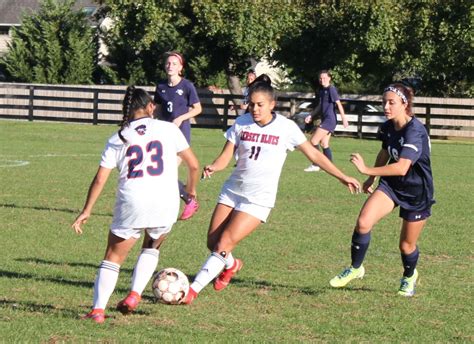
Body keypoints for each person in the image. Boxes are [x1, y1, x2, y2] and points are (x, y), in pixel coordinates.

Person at [183, 76, 361, 304]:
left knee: (224, 243)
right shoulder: (241, 123)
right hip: (232, 191)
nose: (254, 109)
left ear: (272, 104)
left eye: (260, 104)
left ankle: (192, 290)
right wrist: (214, 167)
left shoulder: (286, 128)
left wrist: (342, 176)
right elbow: (226, 156)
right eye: (252, 104)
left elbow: (314, 154)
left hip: (259, 198)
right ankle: (232, 265)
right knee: (213, 243)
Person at [72, 86, 200, 323]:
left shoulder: (118, 137)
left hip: (133, 201)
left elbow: (101, 178)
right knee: (151, 246)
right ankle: (134, 294)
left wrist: (86, 210)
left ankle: (98, 311)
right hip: (165, 201)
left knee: (113, 257)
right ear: (151, 106)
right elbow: (193, 165)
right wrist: (190, 193)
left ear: (127, 111)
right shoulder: (168, 128)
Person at [329, 83, 435, 297]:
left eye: (391, 102)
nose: (386, 106)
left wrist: (366, 168)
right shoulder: (387, 127)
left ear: (404, 104)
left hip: (417, 192)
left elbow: (402, 166)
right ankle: (356, 268)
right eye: (384, 102)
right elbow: (385, 152)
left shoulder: (415, 131)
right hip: (392, 185)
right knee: (363, 222)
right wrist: (371, 178)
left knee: (406, 246)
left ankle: (409, 276)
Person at [154, 51, 202, 220]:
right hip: (164, 136)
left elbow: (198, 109)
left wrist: (181, 118)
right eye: (168, 63)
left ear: (181, 67)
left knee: (166, 173)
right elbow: (158, 111)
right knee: (162, 175)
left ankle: (187, 200)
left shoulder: (187, 86)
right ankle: (188, 199)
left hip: (181, 137)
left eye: (174, 63)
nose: (170, 66)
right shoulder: (160, 87)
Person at [304, 70, 349, 172]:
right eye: (320, 78)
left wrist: (344, 118)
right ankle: (329, 166)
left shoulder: (331, 89)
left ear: (329, 78)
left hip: (330, 120)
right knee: (324, 143)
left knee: (313, 141)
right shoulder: (322, 90)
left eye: (324, 78)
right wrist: (311, 115)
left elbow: (338, 104)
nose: (322, 80)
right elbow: (320, 106)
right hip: (326, 119)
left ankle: (316, 164)